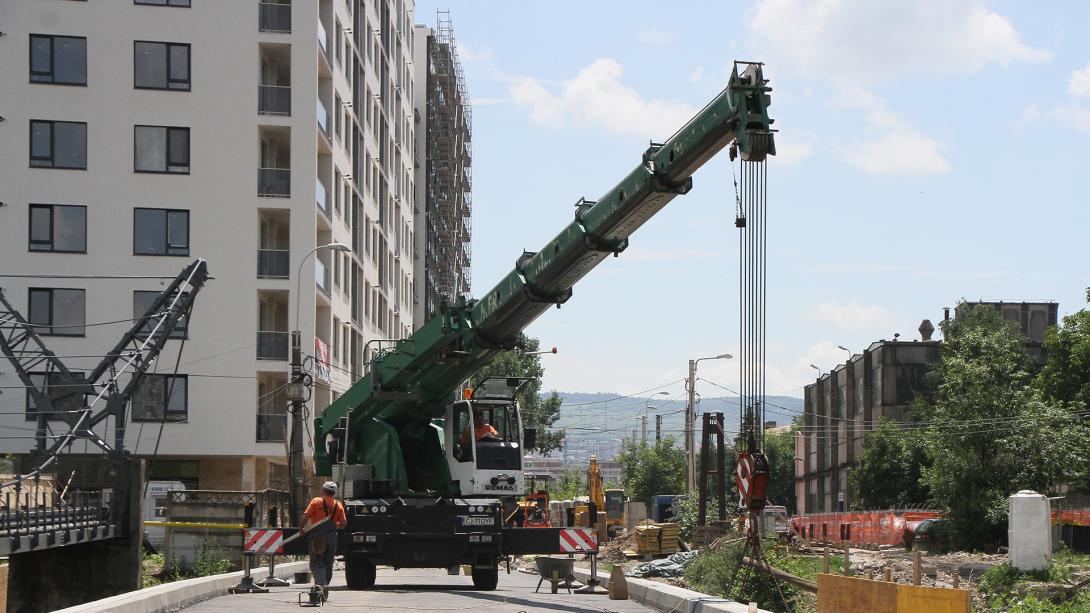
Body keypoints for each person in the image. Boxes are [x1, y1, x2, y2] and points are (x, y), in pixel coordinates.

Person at [301, 481, 347, 595]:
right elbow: (344, 523)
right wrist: (335, 525)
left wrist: (301, 528)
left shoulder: (316, 501)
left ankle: (321, 585)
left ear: (323, 490)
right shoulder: (338, 505)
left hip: (318, 537)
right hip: (331, 537)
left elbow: (306, 516)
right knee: (328, 563)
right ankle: (324, 586)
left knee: (317, 562)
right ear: (334, 493)